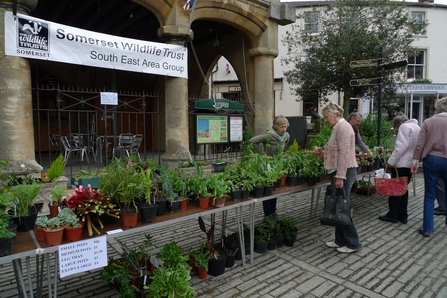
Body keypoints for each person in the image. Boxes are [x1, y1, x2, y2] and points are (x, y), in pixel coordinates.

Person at [313, 102, 362, 253]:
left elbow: (345, 154)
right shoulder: (338, 127)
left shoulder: (343, 127)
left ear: (334, 115)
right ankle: (340, 240)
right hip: (341, 171)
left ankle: (353, 244)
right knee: (337, 207)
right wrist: (321, 153)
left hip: (344, 172)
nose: (325, 120)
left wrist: (340, 176)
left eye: (326, 117)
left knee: (342, 208)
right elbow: (335, 152)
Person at [412, 97, 447, 237]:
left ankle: (427, 228)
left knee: (429, 194)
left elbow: (420, 144)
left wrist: (415, 162)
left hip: (432, 159)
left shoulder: (428, 122)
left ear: (437, 108)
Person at [378, 115, 420, 224]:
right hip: (411, 162)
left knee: (395, 189)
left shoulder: (404, 127)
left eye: (396, 128)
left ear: (399, 123)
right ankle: (403, 215)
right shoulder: (417, 127)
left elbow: (401, 147)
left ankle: (393, 215)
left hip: (401, 162)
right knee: (403, 189)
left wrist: (390, 162)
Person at [250, 115, 290, 221]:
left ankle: (273, 211)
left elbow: (285, 145)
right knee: (268, 190)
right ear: (276, 126)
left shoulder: (286, 136)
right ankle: (267, 214)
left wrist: (282, 156)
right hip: (267, 166)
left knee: (274, 190)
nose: (284, 129)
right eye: (282, 127)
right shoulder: (269, 135)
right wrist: (263, 154)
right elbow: (252, 141)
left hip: (277, 166)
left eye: (285, 126)